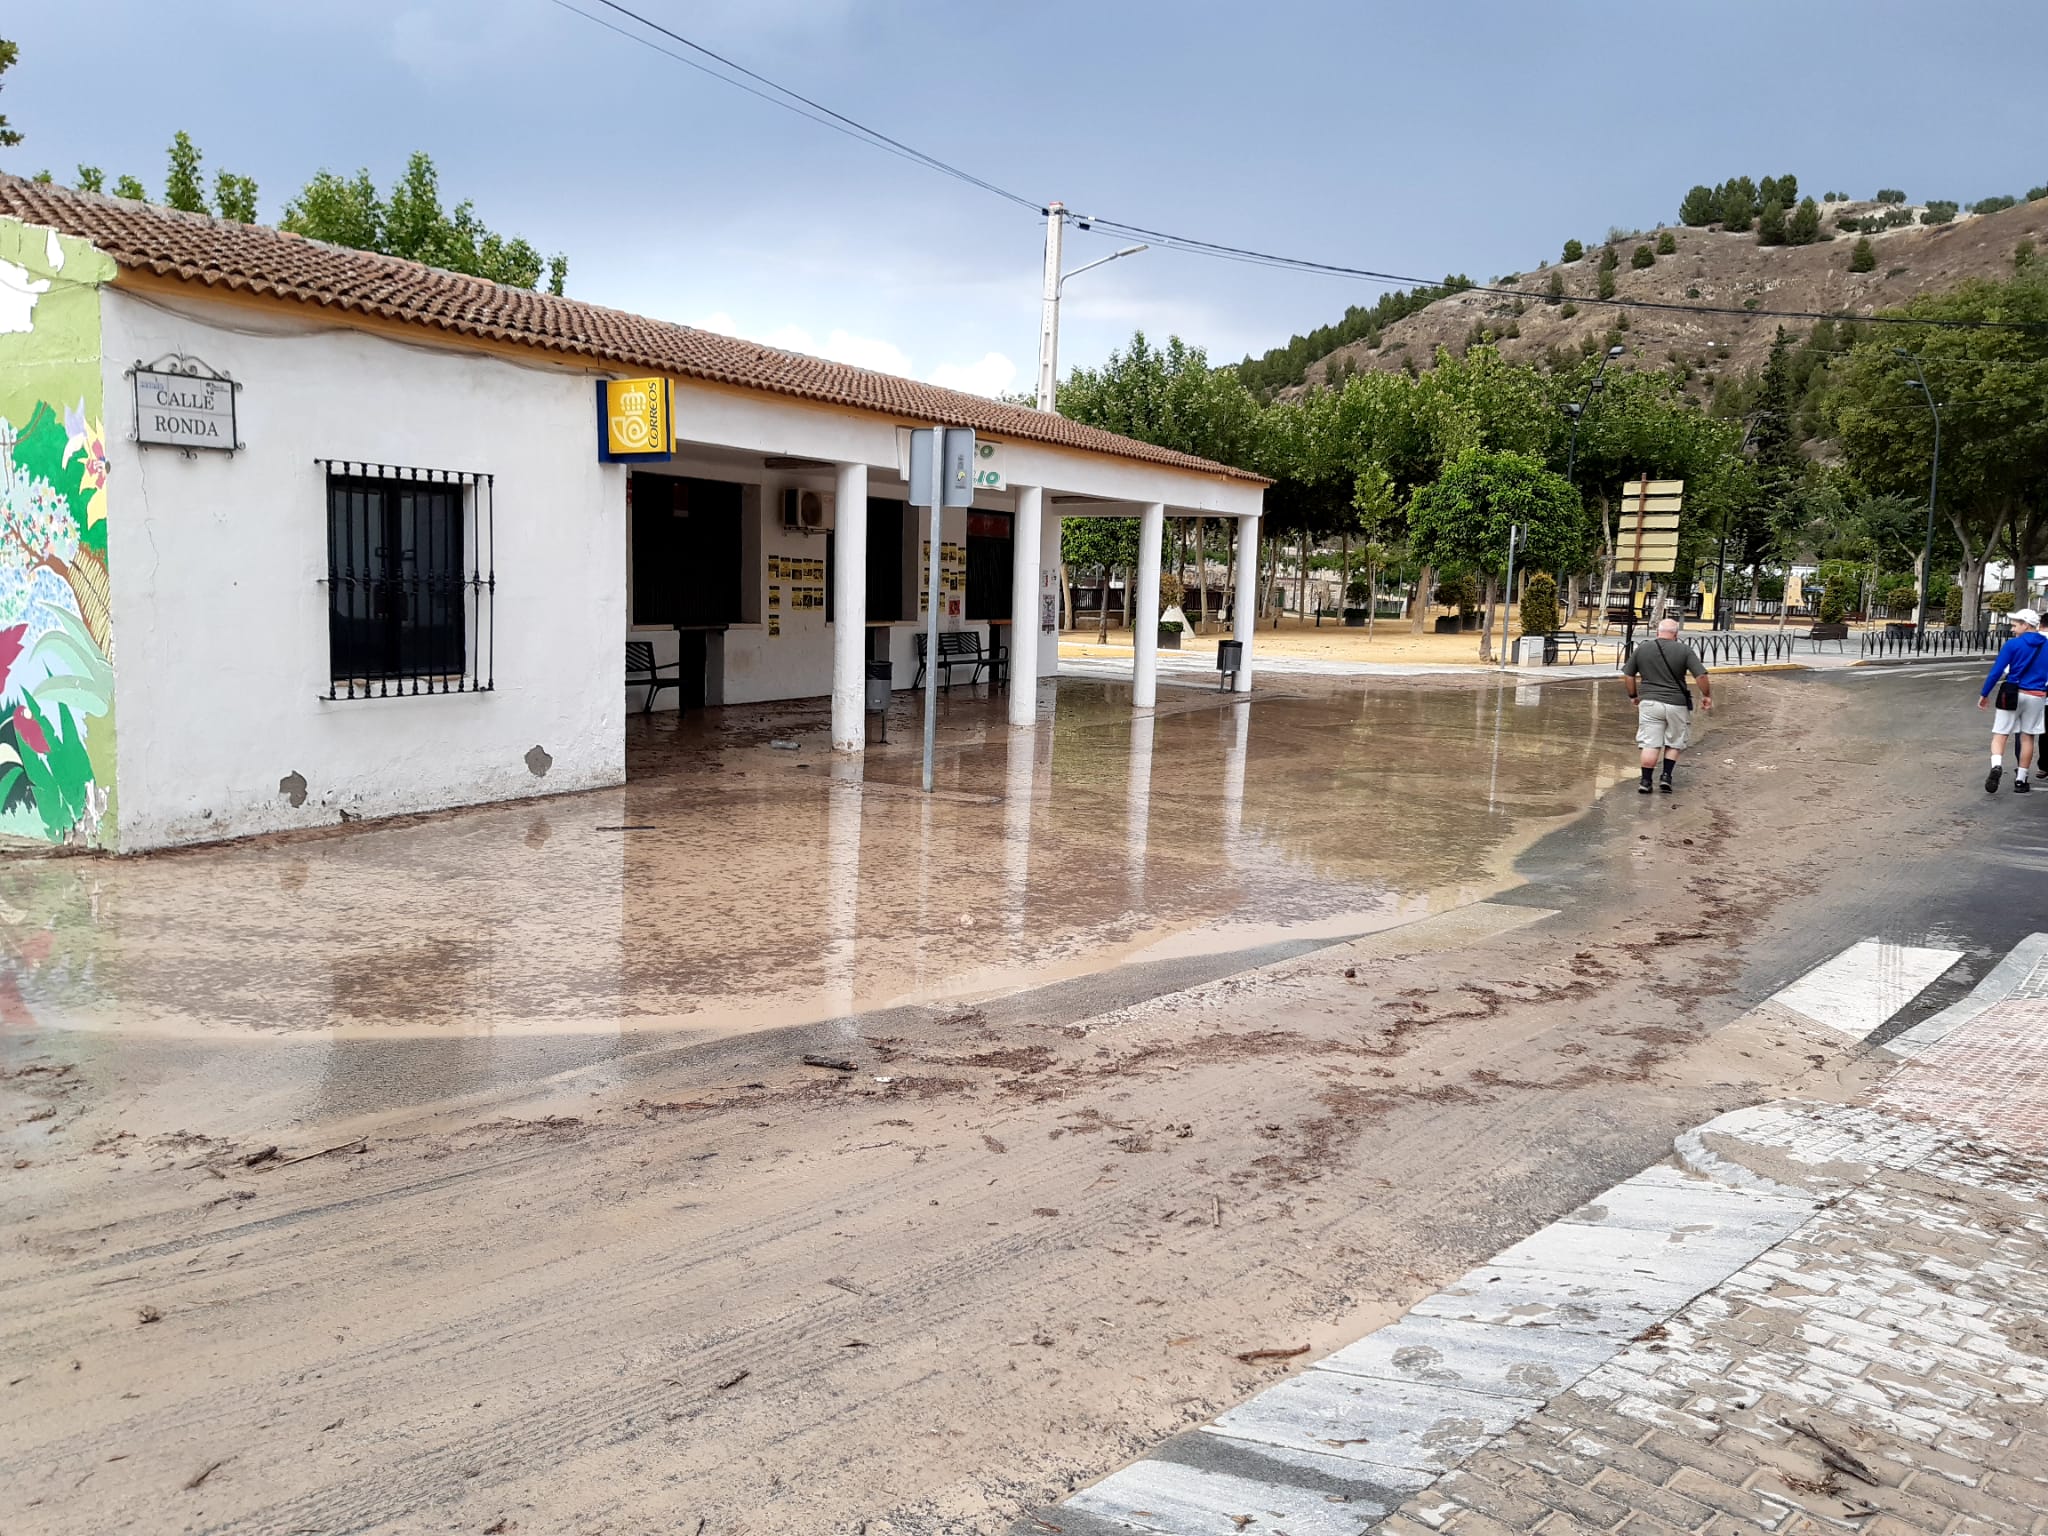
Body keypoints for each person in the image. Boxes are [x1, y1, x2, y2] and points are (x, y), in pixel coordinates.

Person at [1622, 617, 1712, 794]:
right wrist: (1706, 695)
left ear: (1657, 632)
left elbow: (1628, 675)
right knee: (1674, 741)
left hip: (1649, 703)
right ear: (1676, 634)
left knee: (1650, 743)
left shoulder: (1643, 648)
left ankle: (1646, 781)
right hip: (1676, 704)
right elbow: (1700, 676)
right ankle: (1666, 777)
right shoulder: (1684, 650)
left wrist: (1633, 695)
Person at [1978, 607, 2048, 794]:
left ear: (2026, 625)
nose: (2012, 629)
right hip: (2037, 695)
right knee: (2027, 737)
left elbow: (1997, 671)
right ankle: (2021, 780)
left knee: (2001, 733)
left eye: (2015, 625)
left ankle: (1997, 765)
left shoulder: (2012, 645)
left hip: (2011, 692)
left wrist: (1984, 694)